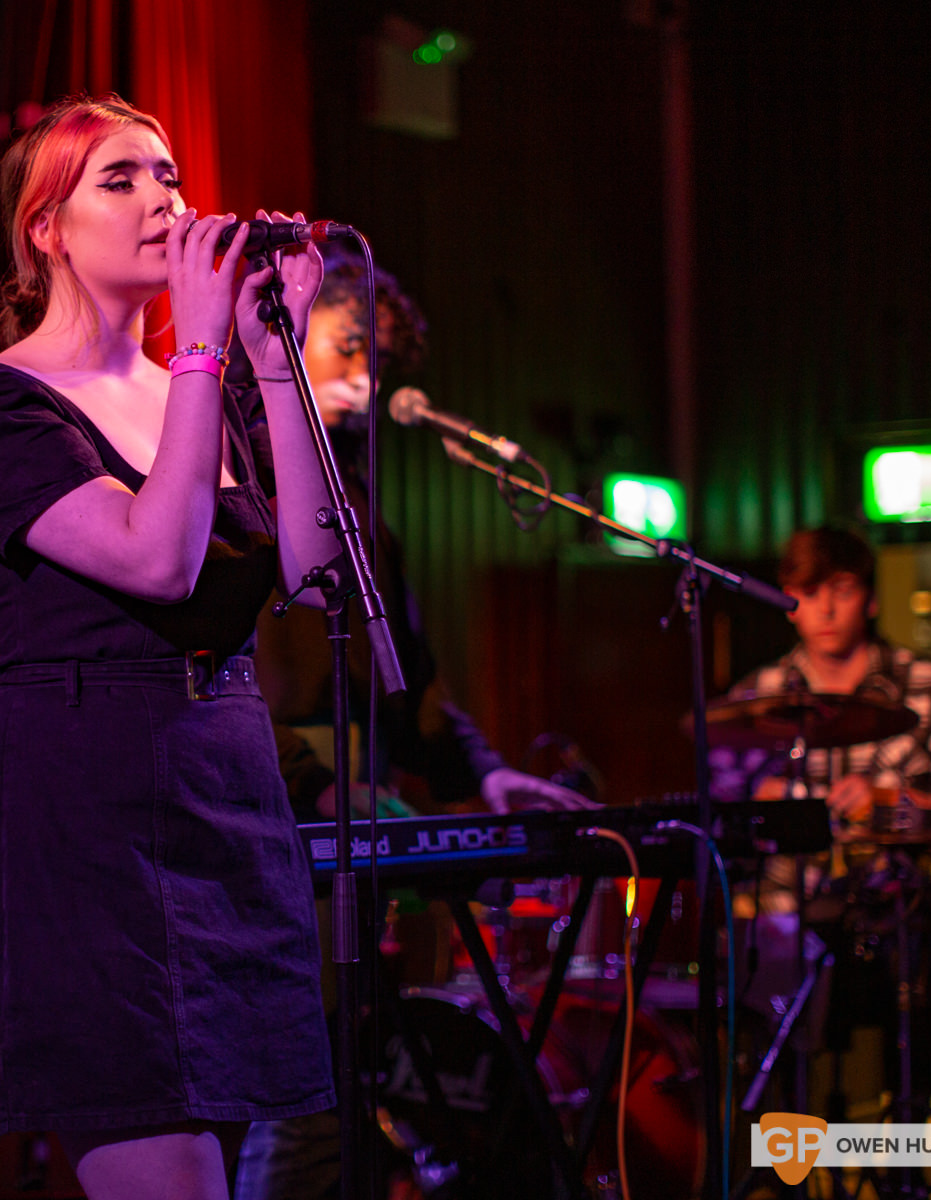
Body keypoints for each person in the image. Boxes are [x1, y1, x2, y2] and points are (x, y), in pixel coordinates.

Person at [0, 94, 340, 1198]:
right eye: (120, 179)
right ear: (46, 230)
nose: (163, 199)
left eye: (168, 175)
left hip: (224, 786)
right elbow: (156, 561)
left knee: (232, 1163)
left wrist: (274, 360)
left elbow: (316, 570)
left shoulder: (198, 393)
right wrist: (204, 346)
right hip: (91, 801)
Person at [236, 251, 591, 1200]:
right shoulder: (237, 469)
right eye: (350, 347)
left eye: (379, 360)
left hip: (347, 805)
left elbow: (410, 685)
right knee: (304, 1084)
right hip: (273, 808)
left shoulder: (357, 504)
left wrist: (487, 773)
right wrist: (317, 784)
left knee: (344, 1078)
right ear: (291, 329)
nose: (366, 379)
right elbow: (217, 673)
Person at [725, 525, 931, 1109]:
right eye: (808, 592)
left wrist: (892, 801)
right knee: (782, 1093)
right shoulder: (754, 699)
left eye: (841, 590)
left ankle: (906, 1137)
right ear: (788, 602)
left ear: (870, 600)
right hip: (785, 928)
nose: (825, 609)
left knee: (908, 1079)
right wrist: (764, 802)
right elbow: (719, 821)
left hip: (898, 924)